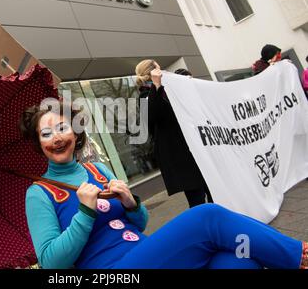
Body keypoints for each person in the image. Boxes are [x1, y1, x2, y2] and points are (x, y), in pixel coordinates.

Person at [21, 102, 308, 269]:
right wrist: (84, 213)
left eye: (62, 128)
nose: (56, 137)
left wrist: (132, 205)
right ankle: (300, 256)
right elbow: (51, 263)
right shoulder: (39, 193)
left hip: (148, 254)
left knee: (238, 261)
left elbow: (141, 223)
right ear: (38, 144)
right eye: (46, 133)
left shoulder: (97, 170)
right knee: (206, 217)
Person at [136, 60, 213, 208]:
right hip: (180, 155)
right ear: (152, 72)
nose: (162, 71)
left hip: (193, 150)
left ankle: (219, 224)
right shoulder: (146, 95)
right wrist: (156, 86)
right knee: (196, 198)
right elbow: (153, 115)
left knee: (212, 191)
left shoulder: (167, 90)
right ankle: (204, 228)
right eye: (159, 68)